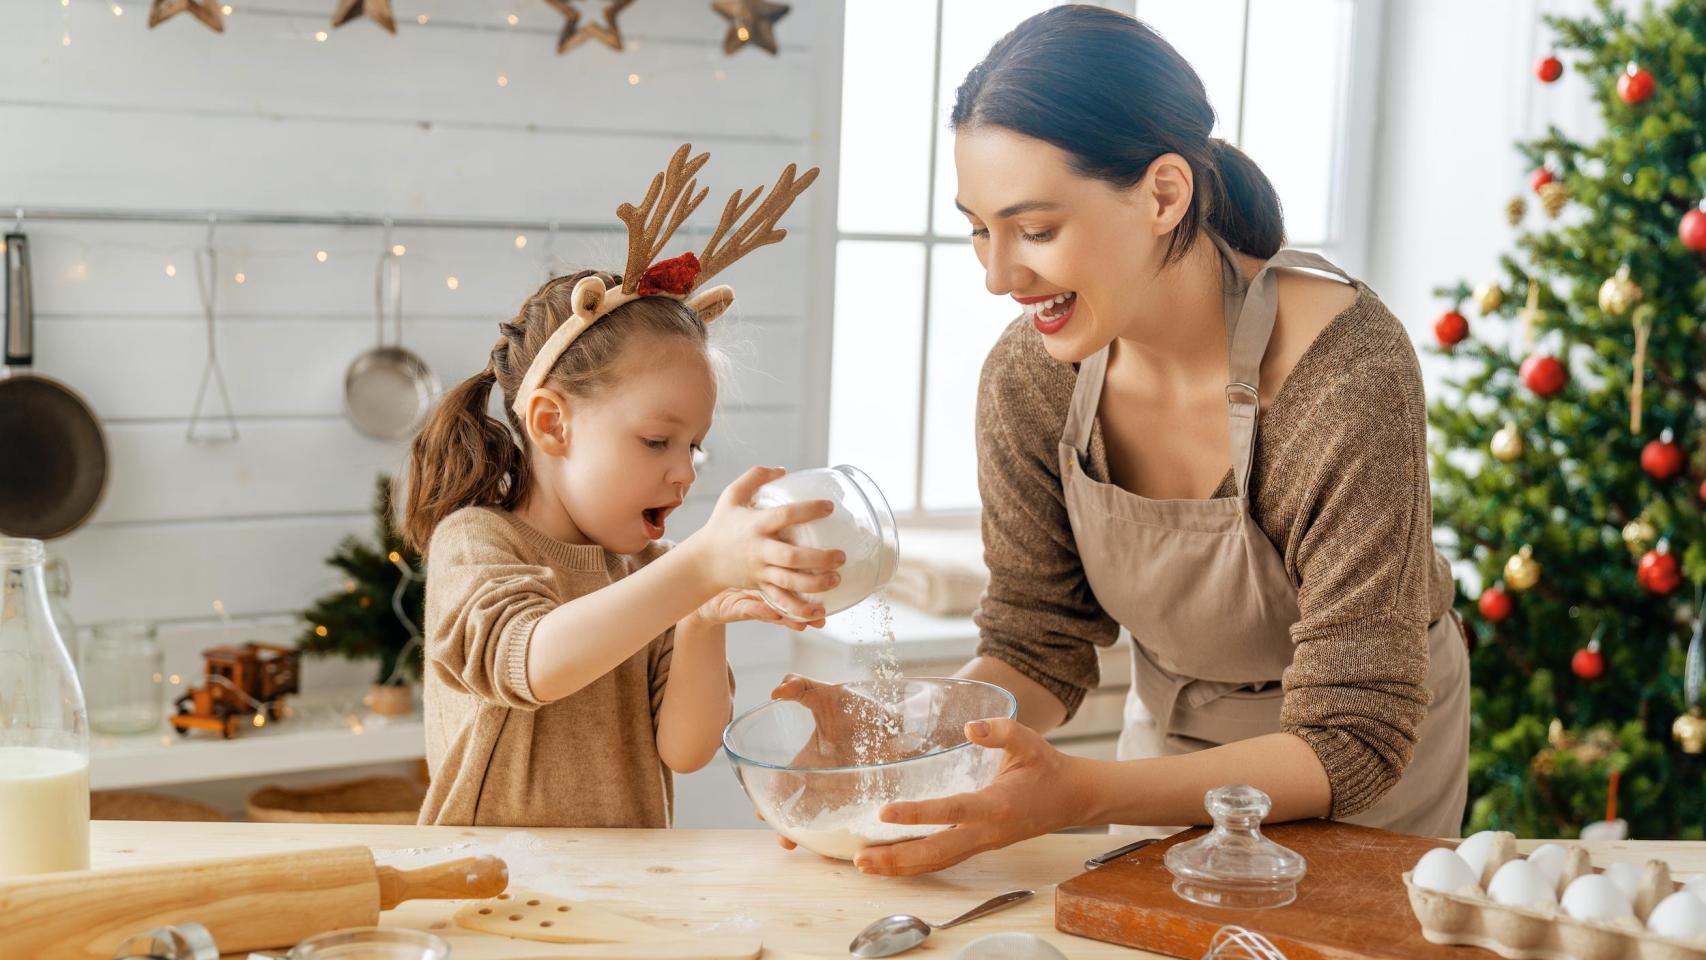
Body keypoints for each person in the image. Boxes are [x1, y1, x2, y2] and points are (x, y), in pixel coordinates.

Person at [774, 5, 1468, 875]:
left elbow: (1354, 734)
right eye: (978, 230)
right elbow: (1040, 637)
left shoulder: (1342, 374)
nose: (997, 277)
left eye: (1034, 231)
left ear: (1164, 195)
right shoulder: (1034, 377)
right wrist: (912, 730)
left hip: (1362, 765)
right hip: (1171, 741)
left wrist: (1087, 791)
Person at [406, 146, 844, 827]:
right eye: (654, 441)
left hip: (624, 892)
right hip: (489, 889)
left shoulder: (650, 573)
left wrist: (700, 615)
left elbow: (687, 748)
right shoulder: (479, 540)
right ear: (553, 423)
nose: (684, 469)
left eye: (693, 446)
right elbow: (532, 663)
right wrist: (697, 568)